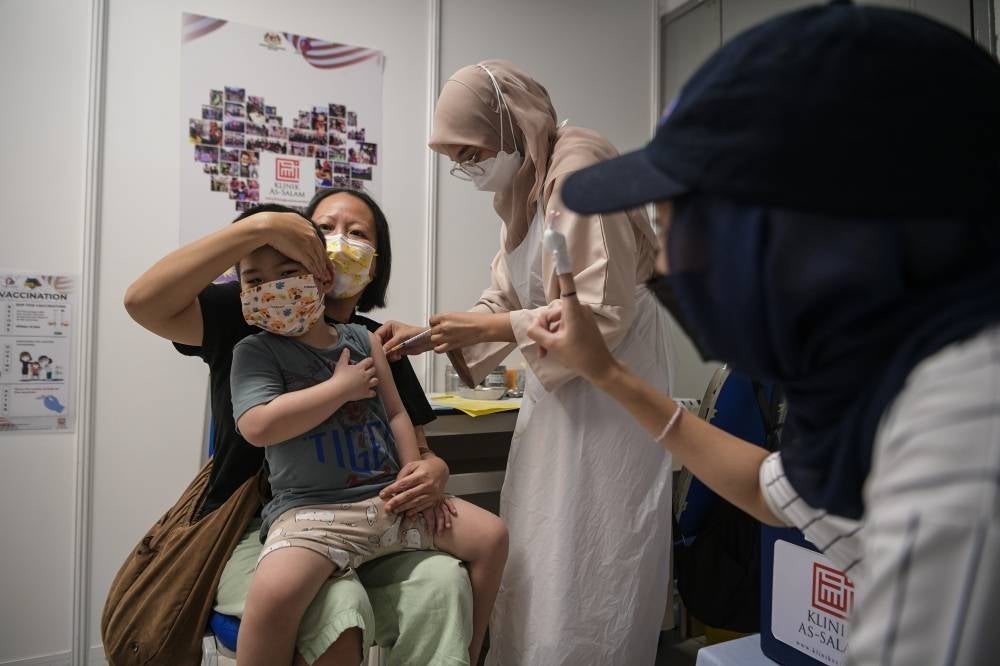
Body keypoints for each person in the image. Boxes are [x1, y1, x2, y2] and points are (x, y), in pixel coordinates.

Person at [524, 3, 1000, 664]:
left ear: (802, 228)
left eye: (676, 227)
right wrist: (607, 373)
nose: (664, 266)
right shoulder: (872, 400)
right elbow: (771, 493)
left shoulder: (964, 435)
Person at [378, 60, 677, 665]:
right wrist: (437, 333)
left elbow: (599, 314)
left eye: (471, 151)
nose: (468, 168)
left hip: (610, 389)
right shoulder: (527, 188)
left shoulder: (580, 171)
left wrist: (494, 327)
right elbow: (514, 294)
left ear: (510, 125)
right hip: (560, 393)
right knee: (541, 549)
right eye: (457, 158)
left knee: (596, 556)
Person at [124, 190, 475, 665]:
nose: (339, 242)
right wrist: (257, 227)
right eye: (324, 229)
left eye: (358, 234)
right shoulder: (248, 314)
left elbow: (415, 444)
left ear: (373, 265)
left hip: (368, 516)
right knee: (335, 608)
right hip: (260, 523)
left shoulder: (376, 341)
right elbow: (144, 302)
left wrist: (432, 470)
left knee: (445, 584)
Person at [229, 213, 507, 665]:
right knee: (275, 591)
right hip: (312, 513)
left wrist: (414, 470)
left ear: (321, 277)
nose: (271, 288)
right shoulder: (256, 351)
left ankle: (471, 655)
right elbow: (258, 425)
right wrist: (339, 389)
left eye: (286, 274)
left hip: (388, 502)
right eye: (254, 280)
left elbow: (396, 413)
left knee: (491, 536)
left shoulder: (362, 339)